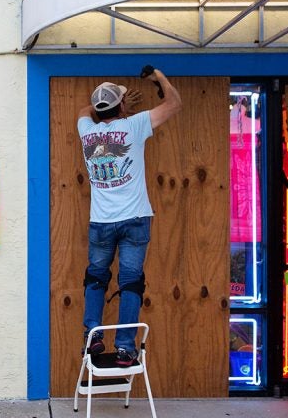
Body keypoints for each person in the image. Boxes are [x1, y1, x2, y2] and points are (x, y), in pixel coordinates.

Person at [77, 67, 182, 367]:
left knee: (95, 279)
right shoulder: (134, 125)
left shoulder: (86, 130)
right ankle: (125, 348)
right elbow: (174, 103)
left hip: (101, 221)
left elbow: (85, 110)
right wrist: (160, 77)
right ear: (122, 106)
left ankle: (92, 336)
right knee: (131, 282)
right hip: (135, 219)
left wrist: (110, 108)